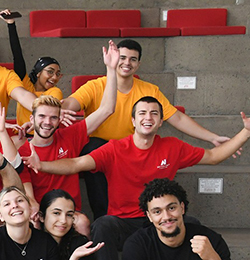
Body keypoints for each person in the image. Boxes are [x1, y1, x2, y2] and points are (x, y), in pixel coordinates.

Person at [28, 97, 250, 260]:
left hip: (157, 220)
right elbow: (75, 164)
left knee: (192, 224)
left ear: (161, 121)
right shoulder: (114, 149)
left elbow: (214, 156)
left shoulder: (173, 147)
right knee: (102, 225)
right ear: (133, 121)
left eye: (154, 113)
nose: (148, 117)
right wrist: (42, 165)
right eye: (142, 113)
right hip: (123, 222)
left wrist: (246, 132)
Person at [61, 39, 239, 217]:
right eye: (122, 57)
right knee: (93, 149)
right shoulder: (95, 86)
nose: (127, 63)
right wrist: (59, 109)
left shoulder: (149, 91)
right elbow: (70, 103)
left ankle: (145, 216)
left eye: (133, 59)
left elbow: (176, 117)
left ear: (138, 64)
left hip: (131, 151)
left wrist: (211, 137)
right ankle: (104, 217)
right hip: (103, 150)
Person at [18, 41, 120, 236]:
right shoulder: (24, 151)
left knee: (82, 222)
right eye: (42, 117)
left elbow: (107, 109)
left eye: (53, 118)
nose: (47, 122)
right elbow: (28, 195)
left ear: (59, 120)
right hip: (42, 213)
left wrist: (111, 69)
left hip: (71, 212)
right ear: (32, 119)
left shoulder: (70, 136)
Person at [0, 9, 64, 128]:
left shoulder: (55, 92)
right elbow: (18, 56)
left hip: (44, 135)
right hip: (22, 134)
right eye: (50, 72)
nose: (54, 77)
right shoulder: (25, 86)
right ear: (38, 73)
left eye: (58, 74)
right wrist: (11, 25)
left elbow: (46, 111)